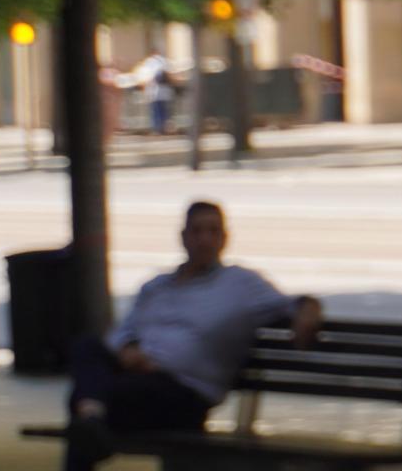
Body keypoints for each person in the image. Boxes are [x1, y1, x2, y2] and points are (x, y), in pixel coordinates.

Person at [63, 200, 323, 470]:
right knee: (87, 347)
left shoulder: (242, 285)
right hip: (138, 380)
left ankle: (90, 419)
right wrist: (128, 349)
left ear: (224, 238)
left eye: (212, 232)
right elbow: (121, 333)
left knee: (85, 402)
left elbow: (292, 304)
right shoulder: (156, 287)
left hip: (185, 393)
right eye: (197, 231)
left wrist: (309, 309)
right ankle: (91, 419)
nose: (204, 240)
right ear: (183, 237)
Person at [133, 49, 175, 135]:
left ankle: (157, 128)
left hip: (154, 90)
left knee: (155, 110)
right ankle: (164, 127)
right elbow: (170, 75)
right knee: (164, 110)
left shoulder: (149, 62)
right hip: (164, 90)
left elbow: (145, 76)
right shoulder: (164, 61)